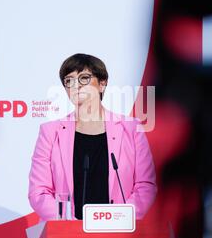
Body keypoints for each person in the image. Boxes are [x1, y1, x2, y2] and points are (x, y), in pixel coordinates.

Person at [28, 53, 157, 220]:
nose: (76, 86)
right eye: (69, 81)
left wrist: (118, 219)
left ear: (102, 84)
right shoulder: (50, 132)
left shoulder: (131, 129)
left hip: (120, 233)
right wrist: (69, 224)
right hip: (66, 235)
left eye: (84, 78)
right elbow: (39, 192)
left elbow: (145, 185)